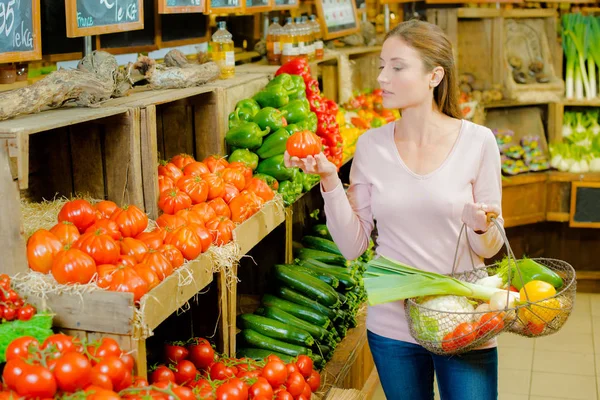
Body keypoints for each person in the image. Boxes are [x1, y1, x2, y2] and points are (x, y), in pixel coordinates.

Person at [285, 19, 505, 400]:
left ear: (435, 75)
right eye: (382, 66)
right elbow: (353, 246)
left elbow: (492, 248)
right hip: (393, 324)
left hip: (465, 318)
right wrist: (329, 180)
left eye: (397, 67)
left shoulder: (478, 142)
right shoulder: (371, 146)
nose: (383, 77)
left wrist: (481, 228)